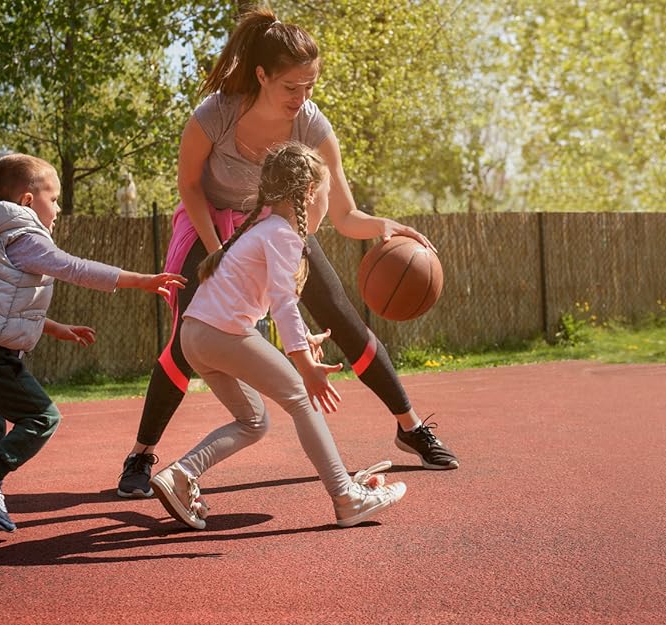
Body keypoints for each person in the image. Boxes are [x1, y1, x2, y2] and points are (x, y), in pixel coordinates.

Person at [117, 5, 458, 499]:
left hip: (281, 224)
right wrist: (219, 254)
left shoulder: (312, 126)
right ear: (261, 76)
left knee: (344, 318)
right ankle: (143, 454)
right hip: (210, 225)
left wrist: (385, 226)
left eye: (310, 87)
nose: (302, 98)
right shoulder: (216, 112)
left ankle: (410, 426)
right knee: (189, 334)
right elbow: (189, 187)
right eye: (291, 88)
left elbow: (343, 215)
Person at [149, 142, 406, 529]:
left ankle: (181, 475)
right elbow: (284, 304)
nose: (326, 203)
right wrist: (303, 363)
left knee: (253, 421)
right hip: (221, 333)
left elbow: (271, 301)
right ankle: (346, 497)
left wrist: (303, 336)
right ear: (307, 194)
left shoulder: (262, 229)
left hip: (195, 335)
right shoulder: (284, 235)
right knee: (302, 398)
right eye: (325, 194)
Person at [0, 154, 186, 531]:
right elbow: (74, 268)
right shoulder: (24, 234)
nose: (59, 207)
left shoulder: (0, 238)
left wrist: (55, 327)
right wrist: (141, 280)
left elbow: (5, 309)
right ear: (29, 201)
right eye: (55, 198)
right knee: (43, 417)